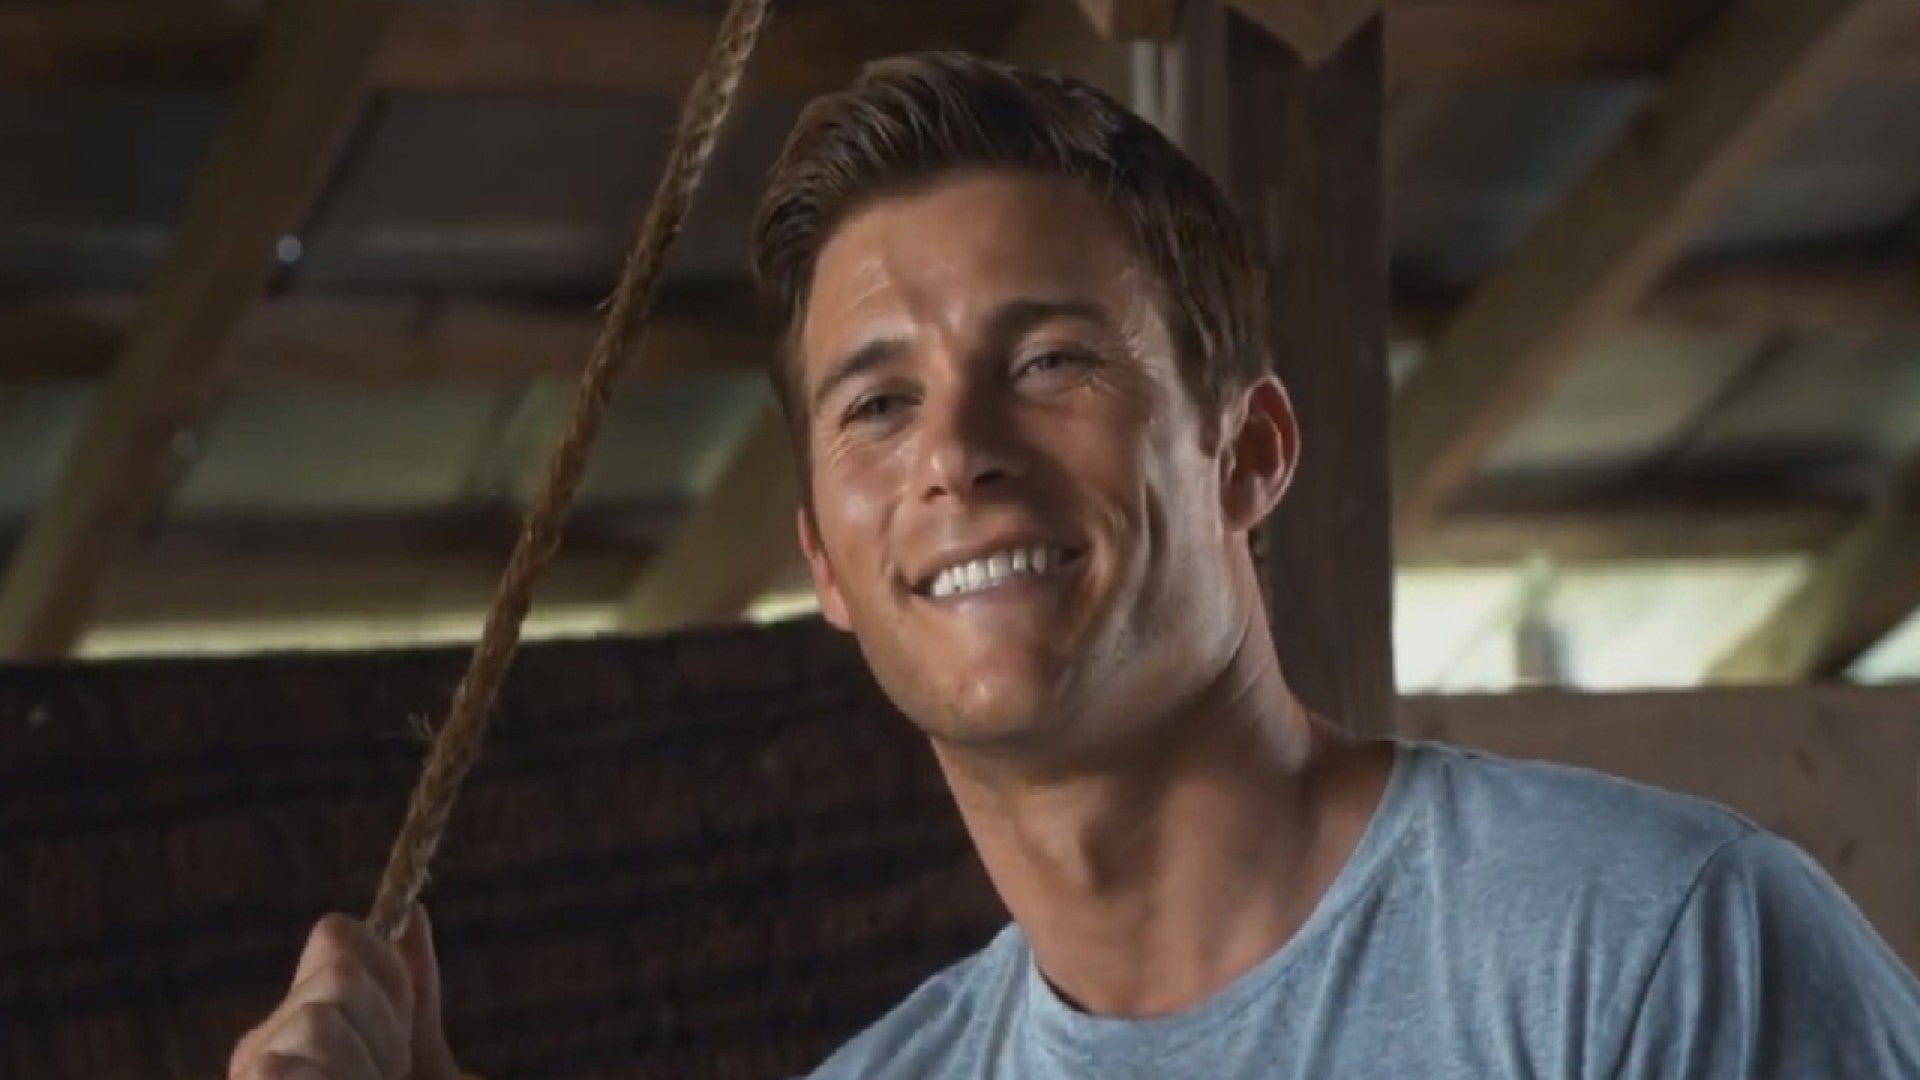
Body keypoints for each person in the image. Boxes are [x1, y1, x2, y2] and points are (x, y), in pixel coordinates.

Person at [228, 53, 1920, 1080]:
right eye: (878, 403)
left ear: (1248, 453)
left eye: (1050, 361)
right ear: (828, 565)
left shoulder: (1648, 951)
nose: (955, 451)